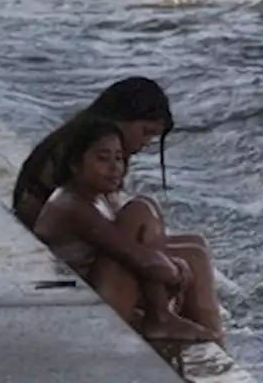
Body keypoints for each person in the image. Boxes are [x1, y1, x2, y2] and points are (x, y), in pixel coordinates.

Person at [12, 77, 225, 337]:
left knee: (193, 243)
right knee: (164, 234)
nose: (143, 145)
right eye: (144, 132)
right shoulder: (70, 187)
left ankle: (201, 332)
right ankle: (196, 332)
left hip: (87, 259)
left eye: (118, 159)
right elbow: (127, 250)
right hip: (75, 277)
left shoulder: (84, 160)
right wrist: (172, 268)